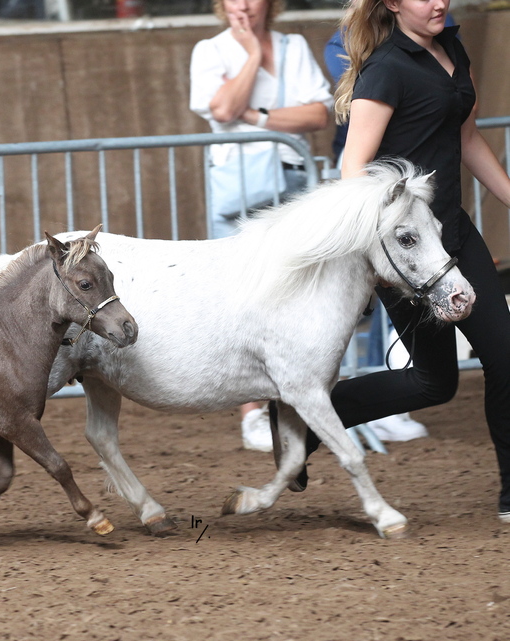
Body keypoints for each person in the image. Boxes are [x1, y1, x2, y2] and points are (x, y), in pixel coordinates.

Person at [295, 0, 510, 524]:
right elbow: (353, 168)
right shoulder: (387, 69)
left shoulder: (453, 50)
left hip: (454, 234)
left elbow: (467, 139)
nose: (439, 2)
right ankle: (302, 421)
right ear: (392, 3)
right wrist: (382, 253)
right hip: (406, 251)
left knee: (506, 358)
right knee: (435, 383)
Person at [189, 0, 332, 451]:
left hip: (291, 180)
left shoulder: (294, 46)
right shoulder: (210, 50)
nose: (244, 4)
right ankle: (251, 411)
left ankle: (293, 402)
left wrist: (256, 117)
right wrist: (252, 54)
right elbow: (222, 109)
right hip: (238, 186)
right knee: (242, 294)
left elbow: (319, 115)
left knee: (296, 291)